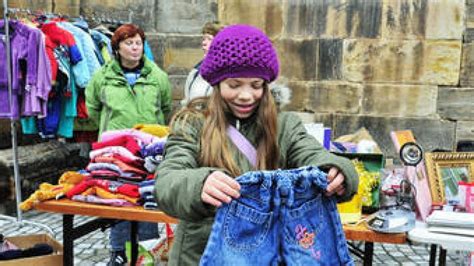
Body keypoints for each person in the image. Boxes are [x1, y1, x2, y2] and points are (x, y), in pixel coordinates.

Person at [154, 24, 358, 265]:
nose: (246, 96)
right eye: (234, 84)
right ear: (218, 84)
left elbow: (312, 153)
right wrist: (199, 184)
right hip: (200, 253)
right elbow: (167, 181)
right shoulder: (193, 124)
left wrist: (337, 171)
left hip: (269, 255)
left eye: (256, 85)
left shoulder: (285, 126)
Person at [85, 23, 172, 266]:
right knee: (117, 197)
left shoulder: (157, 76)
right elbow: (92, 108)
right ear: (117, 47)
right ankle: (119, 251)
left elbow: (165, 108)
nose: (135, 48)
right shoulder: (102, 77)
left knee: (147, 195)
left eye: (138, 43)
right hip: (114, 151)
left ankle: (147, 251)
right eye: (129, 43)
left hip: (149, 149)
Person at [180, 21, 225, 106]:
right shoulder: (195, 72)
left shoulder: (226, 75)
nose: (203, 43)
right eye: (204, 39)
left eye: (209, 39)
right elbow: (186, 102)